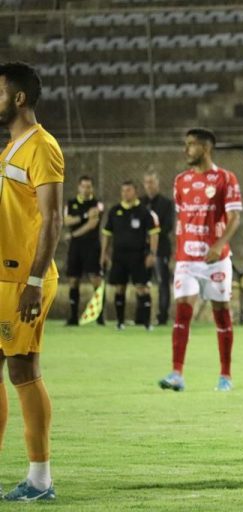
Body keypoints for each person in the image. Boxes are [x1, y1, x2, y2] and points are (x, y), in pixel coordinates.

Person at [0, 61, 63, 501]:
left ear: (18, 98)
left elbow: (53, 218)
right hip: (0, 276)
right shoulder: (10, 148)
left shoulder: (42, 146)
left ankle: (40, 479)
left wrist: (36, 280)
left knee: (23, 369)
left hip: (23, 278)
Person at [158, 128, 242, 392]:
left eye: (192, 145)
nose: (187, 150)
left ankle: (225, 376)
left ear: (206, 148)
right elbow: (182, 220)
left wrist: (219, 244)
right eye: (187, 144)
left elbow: (235, 217)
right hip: (187, 259)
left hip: (216, 261)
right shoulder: (180, 181)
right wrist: (179, 251)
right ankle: (176, 374)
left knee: (221, 314)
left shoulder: (225, 179)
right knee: (182, 310)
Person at [100, 180, 159, 331]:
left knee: (142, 288)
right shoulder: (115, 211)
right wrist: (104, 254)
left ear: (135, 192)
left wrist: (152, 254)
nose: (126, 193)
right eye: (123, 191)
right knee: (119, 288)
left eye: (129, 190)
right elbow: (107, 234)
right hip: (119, 257)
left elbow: (153, 234)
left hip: (138, 256)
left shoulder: (144, 212)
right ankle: (120, 322)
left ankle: (147, 323)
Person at [63, 175, 104, 326]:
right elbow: (67, 220)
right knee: (73, 280)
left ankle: (100, 316)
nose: (86, 189)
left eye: (89, 186)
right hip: (75, 248)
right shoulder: (71, 203)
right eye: (84, 186)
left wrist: (73, 234)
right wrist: (85, 215)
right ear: (79, 188)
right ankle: (73, 317)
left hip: (92, 246)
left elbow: (93, 224)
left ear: (92, 188)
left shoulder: (97, 204)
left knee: (96, 280)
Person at [140, 170, 175, 326]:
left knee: (162, 283)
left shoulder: (166, 204)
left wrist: (152, 235)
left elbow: (167, 226)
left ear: (157, 183)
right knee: (141, 281)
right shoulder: (140, 203)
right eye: (147, 182)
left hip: (161, 250)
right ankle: (142, 316)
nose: (149, 186)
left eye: (152, 182)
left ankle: (162, 316)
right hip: (142, 249)